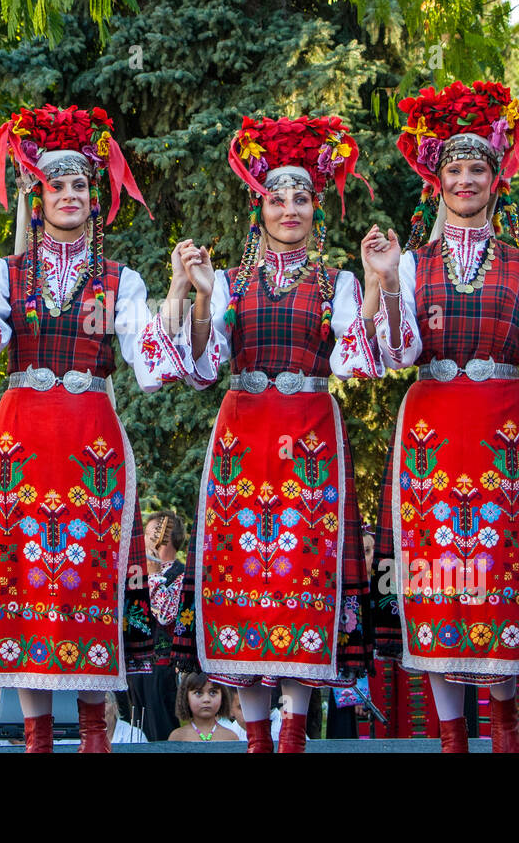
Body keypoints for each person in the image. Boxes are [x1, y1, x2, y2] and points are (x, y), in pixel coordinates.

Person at [0, 104, 189, 753]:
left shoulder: (119, 279)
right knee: (25, 583)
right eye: (60, 185)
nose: (72, 194)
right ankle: (35, 741)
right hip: (19, 444)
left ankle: (96, 740)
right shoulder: (4, 273)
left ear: (95, 195)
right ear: (38, 195)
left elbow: (148, 354)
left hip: (92, 444)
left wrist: (182, 299)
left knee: (89, 583)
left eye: (83, 184)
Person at [362, 80, 519, 753]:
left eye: (476, 168)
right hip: (429, 428)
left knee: (501, 576)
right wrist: (386, 283)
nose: (464, 179)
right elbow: (396, 352)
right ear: (437, 180)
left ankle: (507, 729)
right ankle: (452, 739)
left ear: (495, 178)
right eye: (453, 169)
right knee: (437, 580)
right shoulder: (414, 260)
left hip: (502, 427)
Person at [169, 114, 379, 753]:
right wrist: (201, 296)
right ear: (258, 206)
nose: (289, 208)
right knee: (247, 594)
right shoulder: (228, 280)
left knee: (302, 586)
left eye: (302, 197)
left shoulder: (338, 283)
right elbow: (202, 367)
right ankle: (258, 740)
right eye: (276, 197)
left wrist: (375, 288)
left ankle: (292, 737)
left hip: (310, 443)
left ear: (317, 207)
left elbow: (358, 359)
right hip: (241, 441)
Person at [130, 510, 185, 740]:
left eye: (150, 532)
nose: (143, 538)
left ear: (165, 535)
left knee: (161, 735)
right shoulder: (136, 572)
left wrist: (153, 575)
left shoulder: (182, 574)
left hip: (162, 671)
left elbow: (166, 615)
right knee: (134, 734)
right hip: (133, 671)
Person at [168, 673, 239, 743]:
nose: (206, 699)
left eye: (213, 693)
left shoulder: (231, 737)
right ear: (186, 698)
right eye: (198, 693)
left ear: (223, 697)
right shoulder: (178, 737)